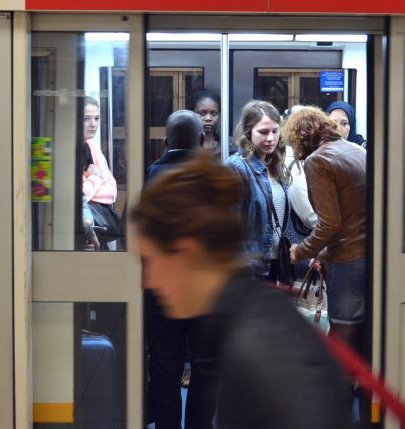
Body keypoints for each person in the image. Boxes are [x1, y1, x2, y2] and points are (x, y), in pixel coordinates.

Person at [131, 153, 353, 429]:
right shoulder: (243, 320)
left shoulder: (254, 350)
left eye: (150, 261)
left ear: (186, 252)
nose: (146, 281)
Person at [144, 110, 217, 429]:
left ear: (165, 141)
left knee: (165, 369)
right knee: (204, 369)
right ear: (202, 140)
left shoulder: (151, 176)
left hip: (161, 291)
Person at [284, 106, 367, 354]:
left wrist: (300, 251)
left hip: (348, 260)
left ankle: (337, 392)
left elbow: (329, 224)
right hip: (368, 256)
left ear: (300, 137)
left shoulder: (317, 160)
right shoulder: (356, 150)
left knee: (342, 334)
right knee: (360, 337)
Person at [225, 100, 290, 281]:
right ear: (248, 133)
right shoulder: (236, 166)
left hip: (275, 262)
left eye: (275, 131)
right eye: (263, 132)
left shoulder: (274, 163)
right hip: (250, 269)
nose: (270, 138)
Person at [81, 97, 120, 251]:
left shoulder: (92, 147)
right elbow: (78, 196)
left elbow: (112, 190)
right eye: (86, 119)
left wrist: (89, 186)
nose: (94, 124)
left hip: (102, 220)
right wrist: (95, 178)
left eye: (97, 118)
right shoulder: (68, 150)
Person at [190, 90, 236, 160]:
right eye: (202, 113)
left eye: (214, 113)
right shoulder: (183, 144)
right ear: (192, 113)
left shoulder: (230, 144)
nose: (208, 118)